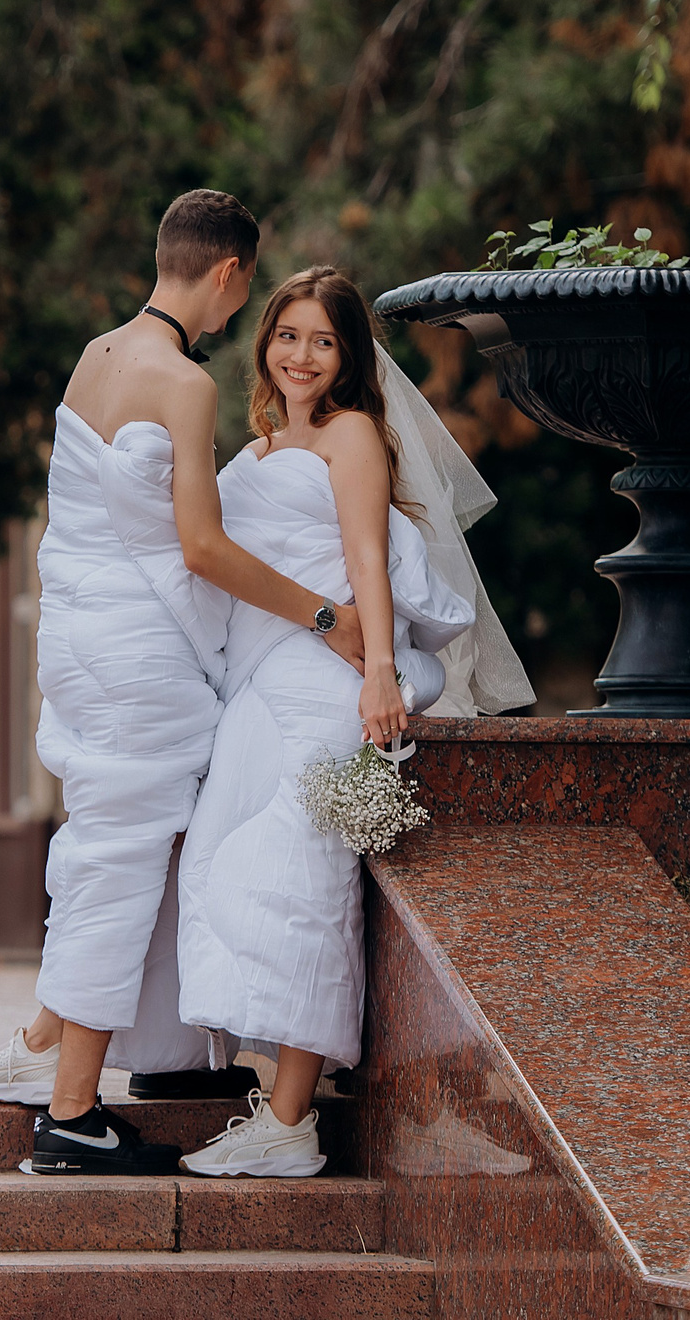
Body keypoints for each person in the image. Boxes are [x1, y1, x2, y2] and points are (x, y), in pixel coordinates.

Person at [0, 191, 372, 1177]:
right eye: (246, 293)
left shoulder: (92, 355)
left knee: (101, 840)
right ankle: (73, 1113)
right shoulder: (182, 383)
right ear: (228, 274)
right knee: (126, 856)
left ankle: (53, 1046)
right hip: (142, 655)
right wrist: (323, 616)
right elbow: (201, 546)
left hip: (78, 639)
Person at [171, 266, 526, 1178]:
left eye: (322, 341)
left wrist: (377, 675)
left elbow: (367, 557)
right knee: (225, 868)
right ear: (266, 344)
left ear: (348, 356)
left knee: (298, 879)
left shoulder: (353, 434)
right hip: (260, 689)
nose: (301, 356)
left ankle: (291, 1122)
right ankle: (274, 1101)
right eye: (287, 335)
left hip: (331, 683)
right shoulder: (254, 447)